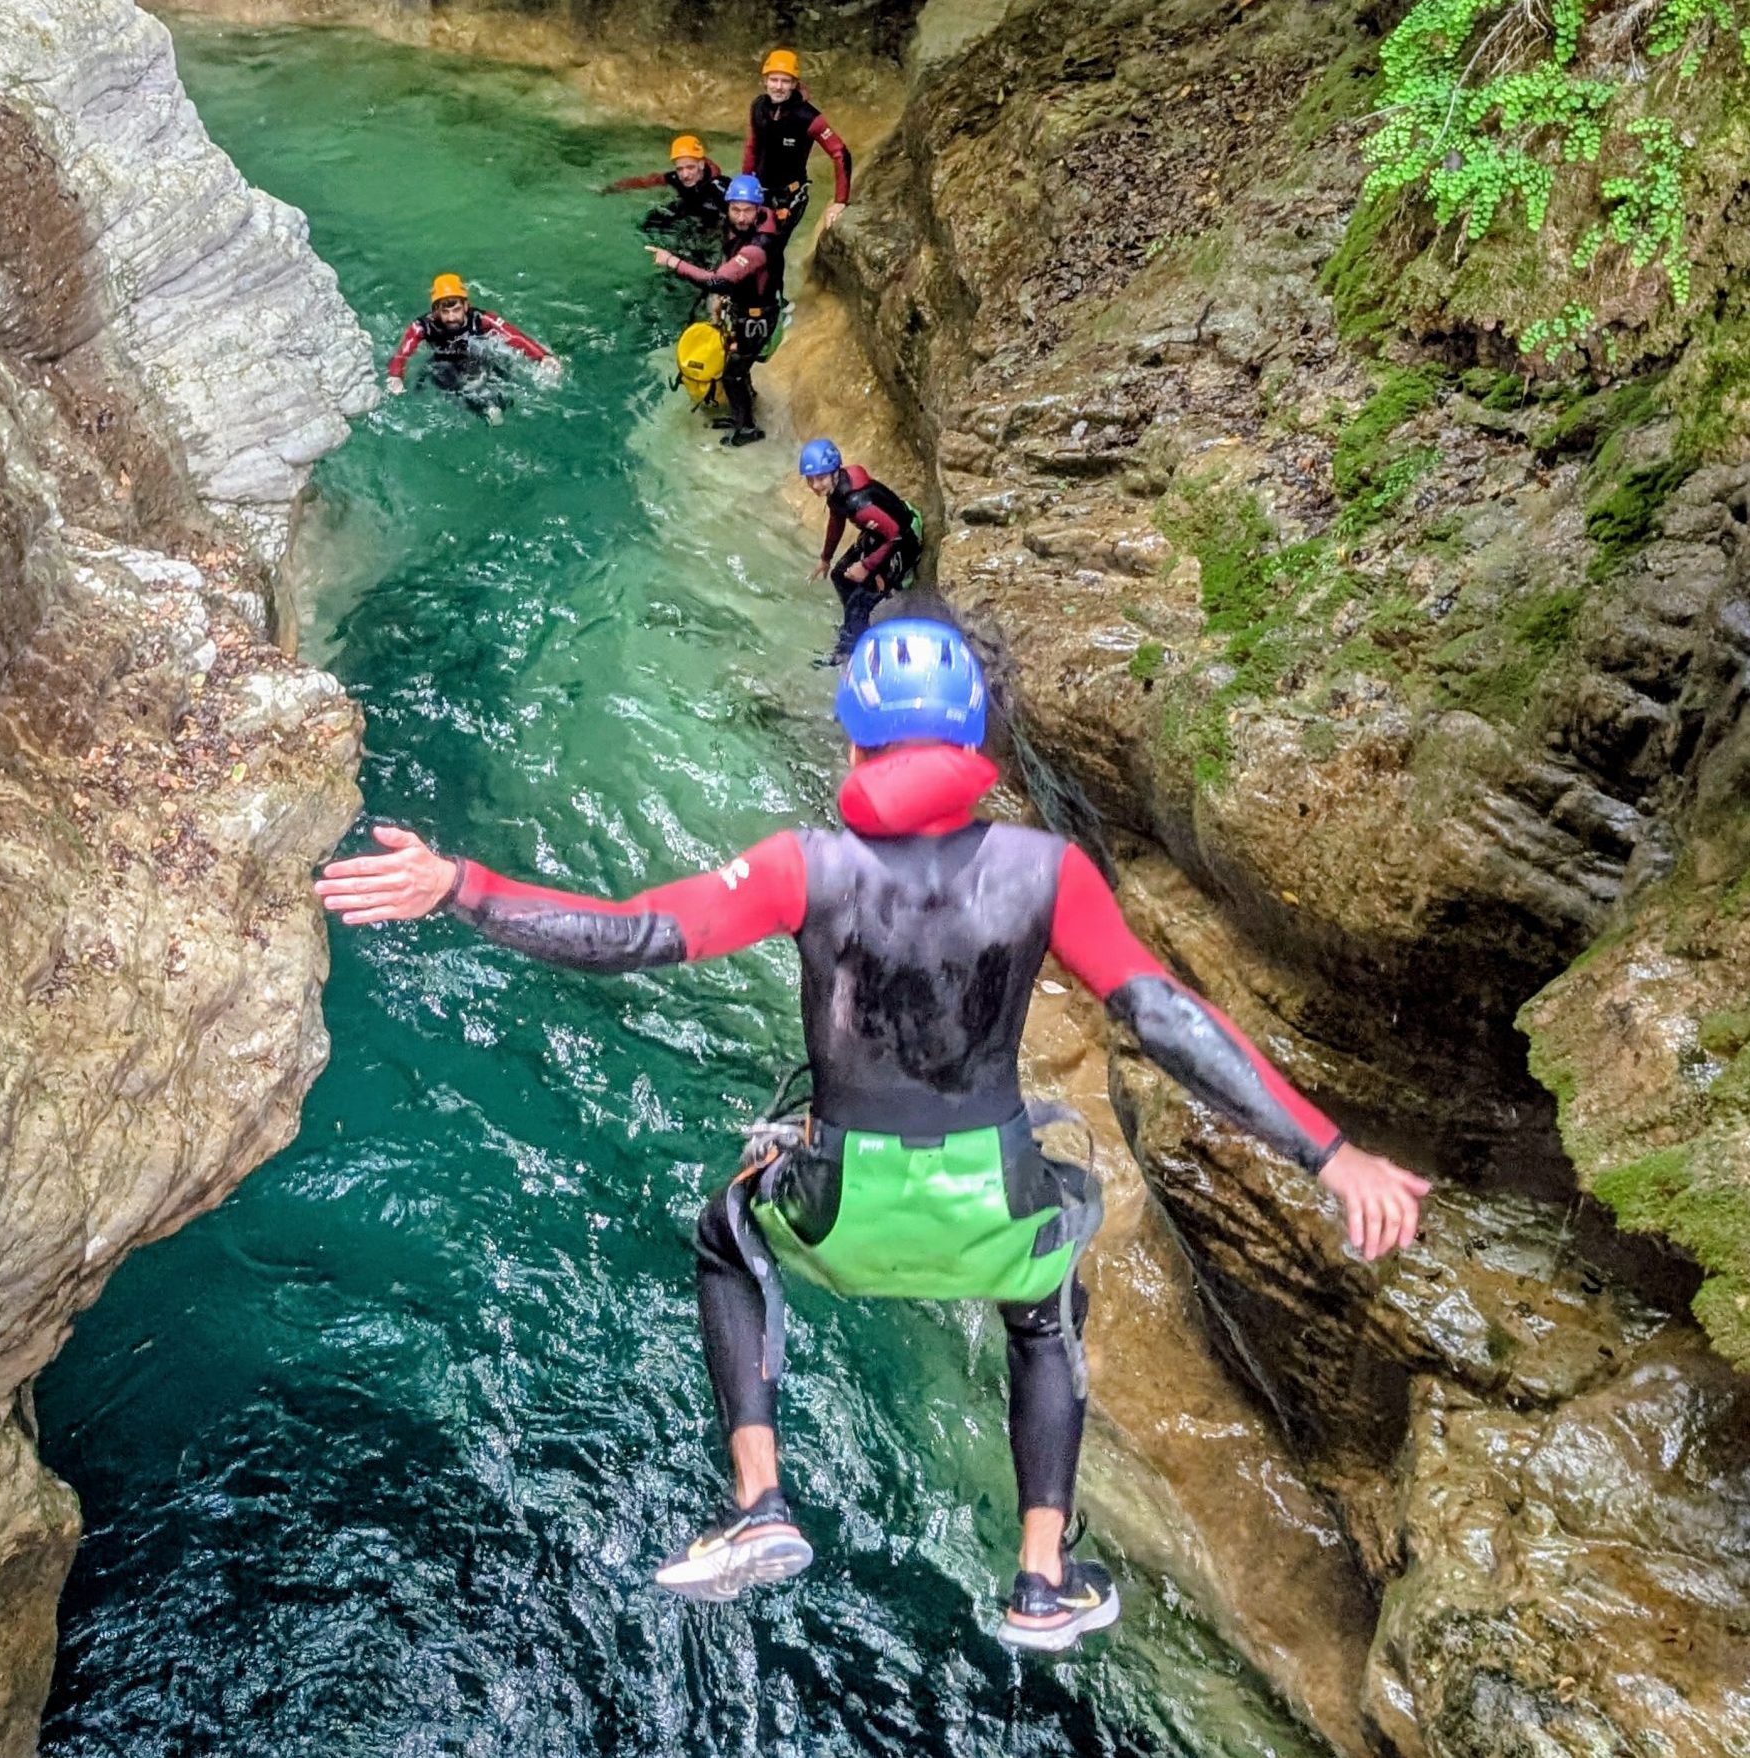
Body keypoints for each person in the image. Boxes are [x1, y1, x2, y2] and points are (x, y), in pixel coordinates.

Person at [314, 616, 1431, 1653]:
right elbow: (1165, 1018)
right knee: (1047, 1307)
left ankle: (759, 1501)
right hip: (995, 1205)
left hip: (836, 1206)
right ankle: (1041, 1578)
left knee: (725, 1236)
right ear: (973, 744)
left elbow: (634, 935)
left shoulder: (806, 866)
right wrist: (1331, 1155)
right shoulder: (1047, 872)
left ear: (855, 742)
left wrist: (460, 884)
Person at [647, 175, 782, 447]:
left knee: (732, 373)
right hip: (746, 310)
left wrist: (673, 261)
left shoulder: (758, 248)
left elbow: (718, 280)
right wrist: (723, 299)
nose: (741, 217)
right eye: (736, 209)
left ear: (758, 209)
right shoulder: (747, 225)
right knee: (738, 364)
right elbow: (730, 267)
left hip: (757, 318)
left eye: (747, 210)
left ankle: (747, 428)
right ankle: (746, 405)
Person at [799, 438, 923, 657]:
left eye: (821, 478)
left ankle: (848, 652)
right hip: (880, 536)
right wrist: (826, 558)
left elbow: (895, 535)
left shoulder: (858, 504)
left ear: (834, 473)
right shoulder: (837, 491)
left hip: (903, 542)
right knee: (839, 576)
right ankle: (855, 625)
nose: (816, 486)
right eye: (810, 480)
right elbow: (836, 522)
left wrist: (866, 566)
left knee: (858, 602)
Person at [385, 274, 559, 419]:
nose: (451, 317)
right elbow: (402, 354)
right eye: (445, 312)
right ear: (436, 311)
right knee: (446, 382)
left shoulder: (481, 319)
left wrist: (542, 356)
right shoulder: (422, 326)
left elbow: (514, 336)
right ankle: (485, 411)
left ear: (466, 306)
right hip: (443, 362)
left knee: (500, 368)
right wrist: (395, 376)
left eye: (456, 310)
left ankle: (503, 404)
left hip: (475, 355)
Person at [743, 49, 850, 243]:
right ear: (765, 81)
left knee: (769, 246)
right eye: (774, 80)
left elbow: (840, 152)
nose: (778, 87)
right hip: (760, 189)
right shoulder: (759, 107)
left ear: (794, 84)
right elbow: (752, 146)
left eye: (785, 81)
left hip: (789, 196)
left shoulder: (808, 117)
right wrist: (745, 184)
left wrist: (839, 201)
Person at [602, 134, 728, 241]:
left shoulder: (716, 185)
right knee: (650, 222)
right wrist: (613, 188)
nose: (685, 175)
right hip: (688, 207)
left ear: (701, 164)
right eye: (680, 169)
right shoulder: (675, 177)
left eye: (690, 167)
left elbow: (735, 210)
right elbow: (646, 181)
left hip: (709, 217)